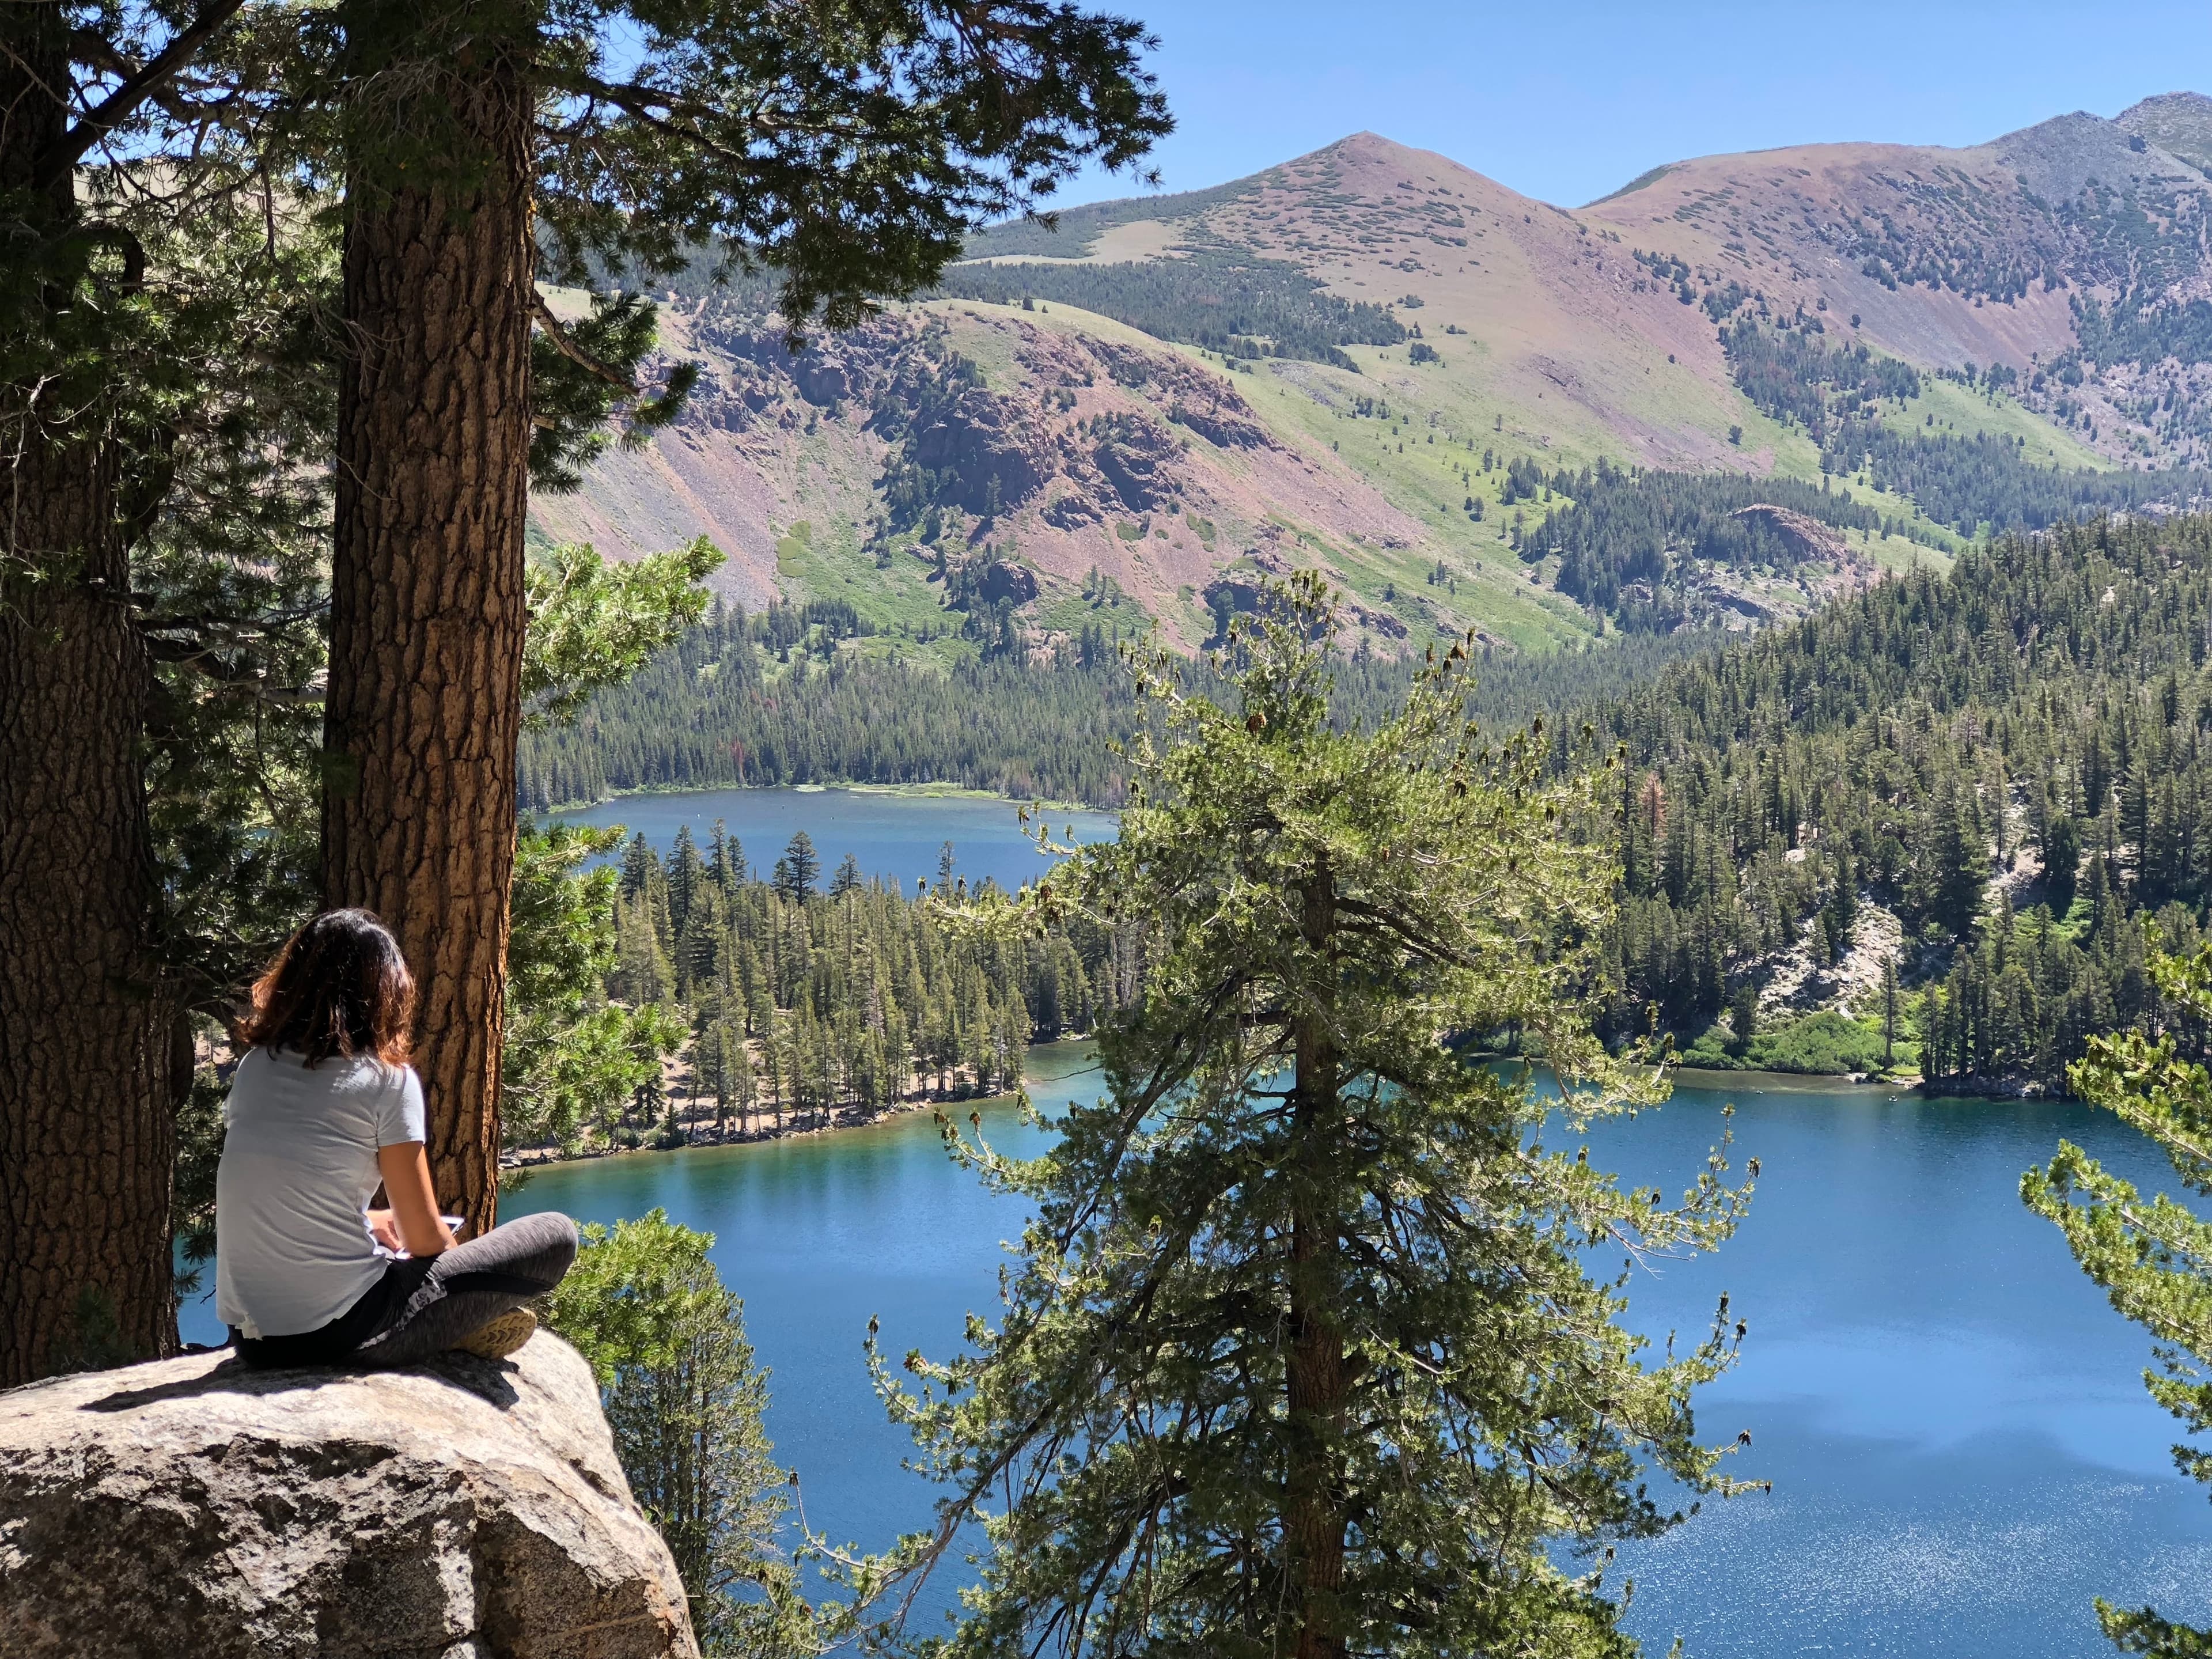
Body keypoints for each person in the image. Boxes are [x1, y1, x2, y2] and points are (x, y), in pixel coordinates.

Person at [215, 908, 577, 1370]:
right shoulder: (387, 1080)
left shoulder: (256, 1068)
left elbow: (277, 1187)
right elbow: (427, 1240)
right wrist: (447, 1282)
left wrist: (368, 1222)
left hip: (254, 1342)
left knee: (389, 1237)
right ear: (387, 990)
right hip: (339, 1334)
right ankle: (456, 1328)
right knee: (556, 1235)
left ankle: (448, 1322)